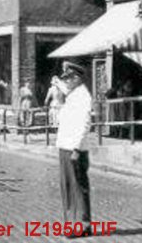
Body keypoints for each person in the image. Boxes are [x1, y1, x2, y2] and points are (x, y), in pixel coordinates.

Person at [55, 62, 92, 238]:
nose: (66, 81)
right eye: (65, 79)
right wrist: (58, 86)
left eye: (68, 78)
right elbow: (62, 118)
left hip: (74, 148)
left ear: (76, 78)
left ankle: (81, 225)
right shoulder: (73, 94)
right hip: (65, 146)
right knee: (68, 186)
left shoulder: (83, 96)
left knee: (77, 187)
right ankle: (74, 223)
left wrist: (76, 148)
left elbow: (85, 124)